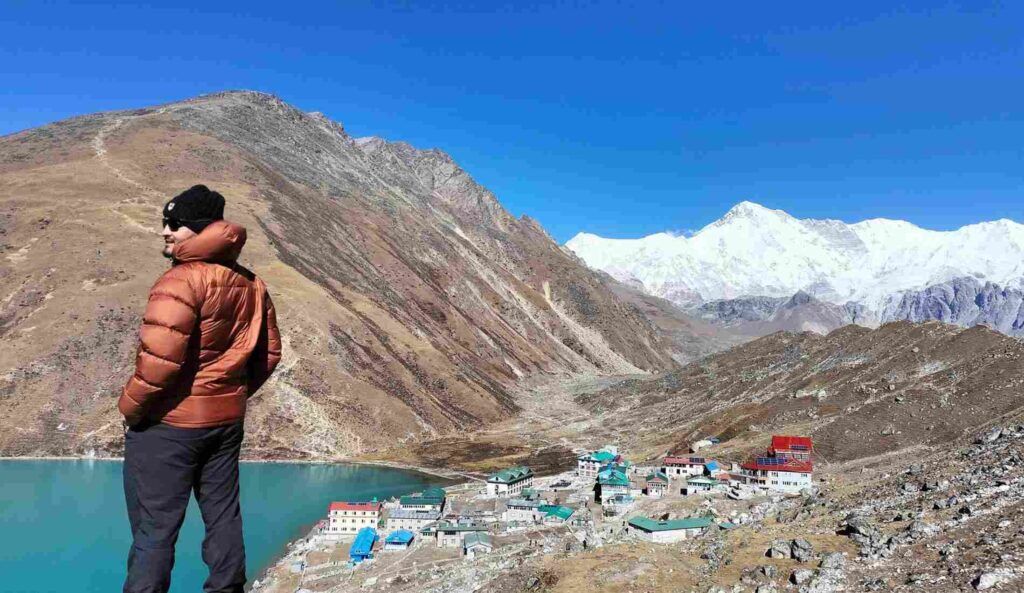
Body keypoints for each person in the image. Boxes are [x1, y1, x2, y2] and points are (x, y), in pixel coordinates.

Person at [118, 185, 282, 593]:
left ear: (197, 229)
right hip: (225, 424)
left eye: (174, 224)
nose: (165, 232)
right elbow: (270, 354)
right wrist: (230, 394)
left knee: (155, 531)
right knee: (223, 516)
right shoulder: (252, 283)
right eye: (164, 223)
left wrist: (131, 410)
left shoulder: (179, 281)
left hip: (168, 427)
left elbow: (158, 364)